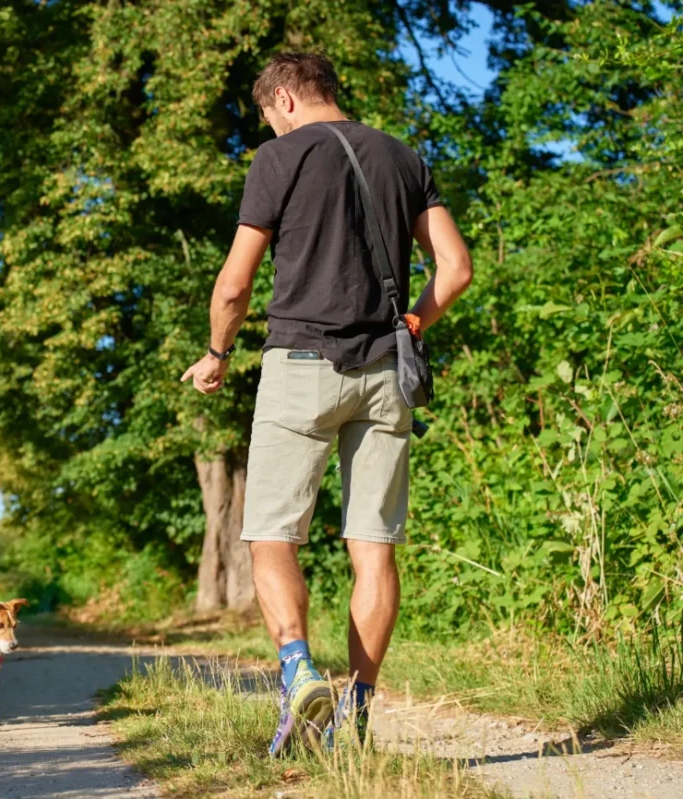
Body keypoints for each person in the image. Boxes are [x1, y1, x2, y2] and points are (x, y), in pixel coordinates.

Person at [179, 51, 473, 754]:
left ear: (283, 100)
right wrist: (413, 323)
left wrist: (217, 353)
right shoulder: (404, 158)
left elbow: (233, 284)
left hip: (300, 365)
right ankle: (360, 708)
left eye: (268, 118)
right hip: (385, 373)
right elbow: (456, 268)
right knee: (373, 547)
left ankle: (298, 668)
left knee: (270, 532)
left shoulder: (277, 161)